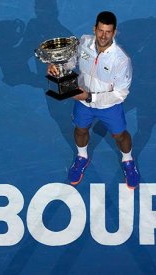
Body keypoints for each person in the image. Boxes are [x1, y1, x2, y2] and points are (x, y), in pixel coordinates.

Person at [48, 11, 140, 189]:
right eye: (100, 30)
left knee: (119, 135)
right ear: (94, 29)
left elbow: (121, 93)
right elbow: (71, 62)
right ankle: (82, 157)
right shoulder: (84, 42)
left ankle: (128, 161)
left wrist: (91, 96)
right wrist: (58, 67)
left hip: (109, 106)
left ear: (114, 33)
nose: (103, 36)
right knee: (81, 130)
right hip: (82, 103)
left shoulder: (121, 60)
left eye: (108, 32)